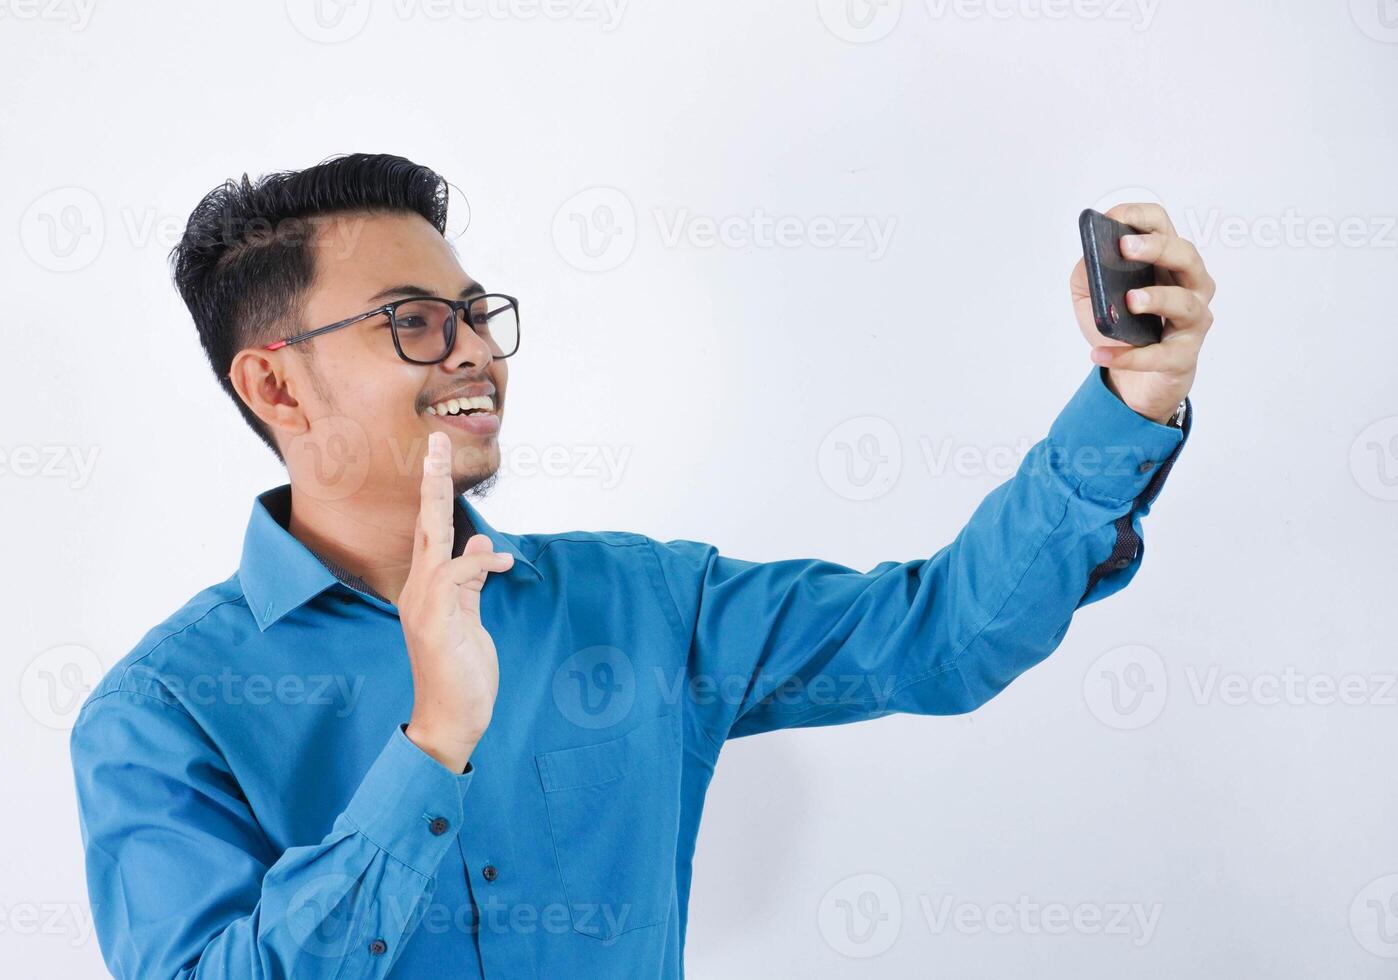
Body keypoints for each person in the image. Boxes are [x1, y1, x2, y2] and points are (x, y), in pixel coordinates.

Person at [70, 152, 1214, 979]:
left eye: (476, 314)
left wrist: (1130, 398)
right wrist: (434, 744)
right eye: (413, 321)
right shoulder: (157, 713)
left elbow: (939, 634)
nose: (474, 350)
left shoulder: (647, 605)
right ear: (274, 385)